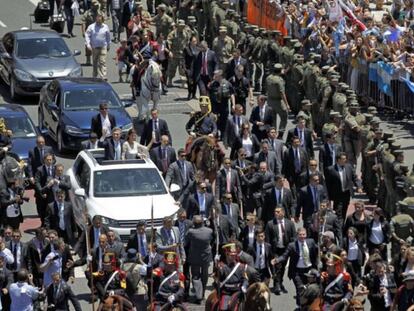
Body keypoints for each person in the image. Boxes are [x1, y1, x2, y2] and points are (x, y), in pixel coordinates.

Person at [274, 227, 318, 309]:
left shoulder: (311, 242)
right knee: (300, 289)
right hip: (297, 272)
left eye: (304, 234)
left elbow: (317, 250)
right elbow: (284, 256)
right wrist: (277, 260)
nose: (302, 236)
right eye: (300, 235)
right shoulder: (292, 245)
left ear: (306, 235)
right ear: (297, 235)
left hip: (309, 271)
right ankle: (299, 306)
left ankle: (307, 306)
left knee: (309, 290)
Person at [325, 153, 362, 222]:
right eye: (343, 159)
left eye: (345, 159)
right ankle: (339, 229)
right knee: (338, 213)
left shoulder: (349, 167)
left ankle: (341, 227)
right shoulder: (330, 170)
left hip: (346, 194)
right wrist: (328, 198)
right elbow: (327, 185)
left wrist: (359, 186)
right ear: (338, 160)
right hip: (337, 195)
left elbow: (355, 178)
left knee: (344, 212)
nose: (345, 160)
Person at [185, 215, 213, 304]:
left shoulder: (191, 231)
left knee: (196, 276)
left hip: (195, 258)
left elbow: (186, 241)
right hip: (206, 257)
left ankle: (199, 295)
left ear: (194, 223)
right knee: (205, 276)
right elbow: (212, 239)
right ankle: (203, 293)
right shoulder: (209, 231)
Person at [85, 14, 111, 79]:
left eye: (100, 21)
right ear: (96, 20)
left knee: (102, 61)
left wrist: (108, 44)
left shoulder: (105, 27)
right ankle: (95, 75)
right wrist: (88, 44)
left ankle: (103, 76)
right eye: (97, 21)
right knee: (95, 62)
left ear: (102, 20)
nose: (99, 22)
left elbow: (108, 36)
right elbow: (87, 35)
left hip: (103, 47)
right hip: (95, 47)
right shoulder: (91, 27)